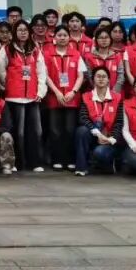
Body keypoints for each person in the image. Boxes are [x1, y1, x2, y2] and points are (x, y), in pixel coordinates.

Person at [0, 19, 46, 172]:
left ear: (29, 32)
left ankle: (34, 162)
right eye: (19, 30)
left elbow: (41, 71)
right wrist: (9, 83)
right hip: (14, 97)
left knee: (36, 131)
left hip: (33, 96)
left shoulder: (35, 49)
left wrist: (41, 91)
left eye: (25, 30)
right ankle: (18, 162)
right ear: (14, 32)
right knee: (19, 132)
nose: (23, 33)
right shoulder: (7, 49)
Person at [44, 26, 86, 171]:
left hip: (71, 98)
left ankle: (70, 159)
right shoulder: (47, 54)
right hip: (54, 97)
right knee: (55, 130)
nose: (62, 38)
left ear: (69, 37)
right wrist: (56, 92)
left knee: (70, 130)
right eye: (59, 35)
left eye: (65, 35)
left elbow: (81, 76)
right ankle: (57, 159)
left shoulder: (76, 54)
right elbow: (45, 75)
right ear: (54, 38)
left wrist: (73, 91)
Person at [74, 66, 123, 176]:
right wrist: (97, 133)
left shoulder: (117, 97)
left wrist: (111, 139)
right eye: (98, 76)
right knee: (81, 131)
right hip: (93, 134)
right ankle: (81, 168)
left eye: (104, 76)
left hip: (109, 137)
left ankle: (108, 162)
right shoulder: (86, 96)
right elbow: (83, 118)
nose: (101, 79)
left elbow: (119, 122)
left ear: (109, 80)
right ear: (93, 79)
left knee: (100, 152)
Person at [84, 26, 123, 97]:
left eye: (106, 37)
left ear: (110, 39)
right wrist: (99, 91)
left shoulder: (117, 56)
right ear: (96, 40)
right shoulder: (89, 57)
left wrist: (114, 92)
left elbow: (121, 76)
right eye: (101, 38)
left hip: (114, 94)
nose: (104, 40)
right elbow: (89, 77)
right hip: (95, 94)